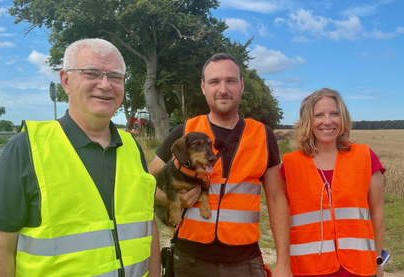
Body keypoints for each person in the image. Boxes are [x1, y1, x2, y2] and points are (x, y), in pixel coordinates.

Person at [0, 38, 160, 277]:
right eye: (92, 73)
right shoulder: (25, 149)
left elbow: (147, 225)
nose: (105, 85)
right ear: (65, 81)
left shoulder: (132, 147)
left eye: (116, 76)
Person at [149, 53, 292, 277]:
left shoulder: (263, 135)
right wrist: (169, 199)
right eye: (214, 82)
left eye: (231, 81)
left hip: (244, 262)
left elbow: (276, 198)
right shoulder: (184, 131)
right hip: (188, 259)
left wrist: (283, 262)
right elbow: (146, 180)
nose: (223, 89)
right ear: (204, 87)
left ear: (242, 85)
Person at [280, 88, 385, 277]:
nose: (327, 122)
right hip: (306, 269)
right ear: (308, 121)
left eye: (334, 114)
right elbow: (280, 220)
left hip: (358, 270)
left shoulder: (366, 157)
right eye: (319, 115)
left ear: (342, 117)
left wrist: (378, 262)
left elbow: (377, 214)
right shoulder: (289, 165)